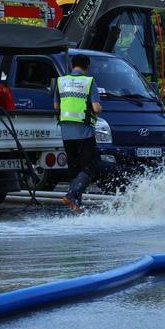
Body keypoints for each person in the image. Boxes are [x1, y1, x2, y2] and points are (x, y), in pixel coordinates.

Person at [53, 54, 101, 214]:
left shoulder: (61, 81)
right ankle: (71, 195)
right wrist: (100, 109)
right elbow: (95, 108)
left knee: (74, 168)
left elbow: (56, 106)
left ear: (71, 66)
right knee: (89, 167)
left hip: (66, 132)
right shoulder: (89, 81)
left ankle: (75, 206)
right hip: (84, 131)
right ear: (87, 67)